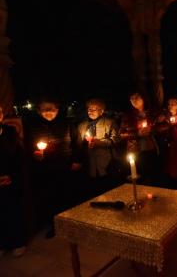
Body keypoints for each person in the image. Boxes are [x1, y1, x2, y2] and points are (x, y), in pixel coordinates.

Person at [23, 97, 80, 238]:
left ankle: (71, 224)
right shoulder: (33, 127)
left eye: (51, 109)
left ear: (57, 109)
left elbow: (77, 143)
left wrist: (77, 160)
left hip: (66, 165)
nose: (48, 112)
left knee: (68, 195)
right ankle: (55, 226)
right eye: (44, 109)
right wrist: (35, 155)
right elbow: (28, 147)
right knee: (50, 197)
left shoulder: (67, 123)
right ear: (38, 111)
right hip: (45, 169)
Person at [77, 98, 120, 198]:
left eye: (94, 109)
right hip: (89, 167)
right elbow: (79, 145)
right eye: (89, 109)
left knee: (109, 193)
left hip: (106, 165)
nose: (90, 111)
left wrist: (100, 143)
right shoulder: (82, 126)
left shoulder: (110, 123)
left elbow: (116, 140)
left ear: (101, 111)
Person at [0, 105, 27, 257]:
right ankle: (2, 244)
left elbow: (17, 157)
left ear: (2, 115)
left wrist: (11, 176)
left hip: (10, 179)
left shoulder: (10, 132)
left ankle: (17, 242)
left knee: (13, 210)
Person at [120, 91, 160, 186]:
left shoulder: (152, 112)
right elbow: (122, 133)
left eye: (137, 97)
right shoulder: (127, 116)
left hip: (151, 148)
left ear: (143, 98)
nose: (134, 100)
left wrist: (152, 130)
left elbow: (163, 125)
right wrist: (137, 133)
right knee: (139, 176)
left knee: (153, 175)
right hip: (135, 150)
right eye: (132, 98)